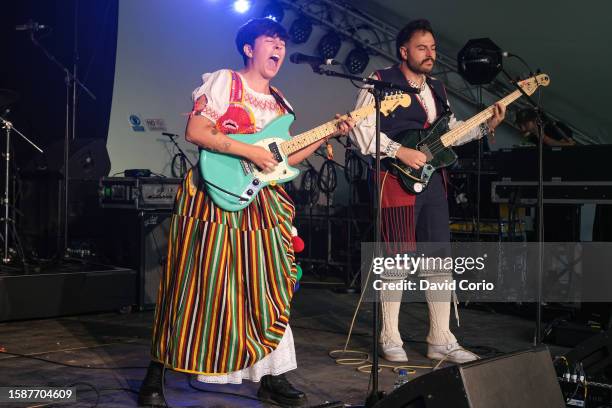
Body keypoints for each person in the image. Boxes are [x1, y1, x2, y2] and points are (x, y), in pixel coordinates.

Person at [138, 18, 353, 407]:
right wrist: (250, 150)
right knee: (194, 280)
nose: (279, 49)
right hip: (211, 196)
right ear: (249, 48)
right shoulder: (224, 82)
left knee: (270, 287)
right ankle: (157, 373)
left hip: (263, 202)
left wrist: (327, 134)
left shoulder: (281, 102)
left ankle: (273, 375)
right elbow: (197, 132)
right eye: (270, 41)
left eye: (283, 44)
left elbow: (284, 159)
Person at [351, 19, 506, 364]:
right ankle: (389, 335)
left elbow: (449, 132)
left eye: (434, 48)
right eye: (422, 47)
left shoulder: (437, 88)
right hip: (394, 179)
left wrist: (485, 125)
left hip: (434, 181)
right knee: (395, 256)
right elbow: (359, 132)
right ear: (404, 51)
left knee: (438, 256)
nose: (430, 54)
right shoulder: (380, 82)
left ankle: (440, 337)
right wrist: (398, 151)